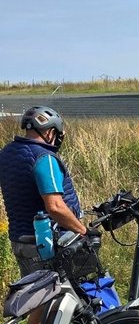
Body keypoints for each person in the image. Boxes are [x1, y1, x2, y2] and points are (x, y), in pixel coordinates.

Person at [0, 106, 87, 279]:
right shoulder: (43, 158)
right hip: (45, 244)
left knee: (33, 298)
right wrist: (83, 231)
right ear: (49, 132)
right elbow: (55, 207)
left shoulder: (6, 154)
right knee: (67, 296)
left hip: (19, 240)